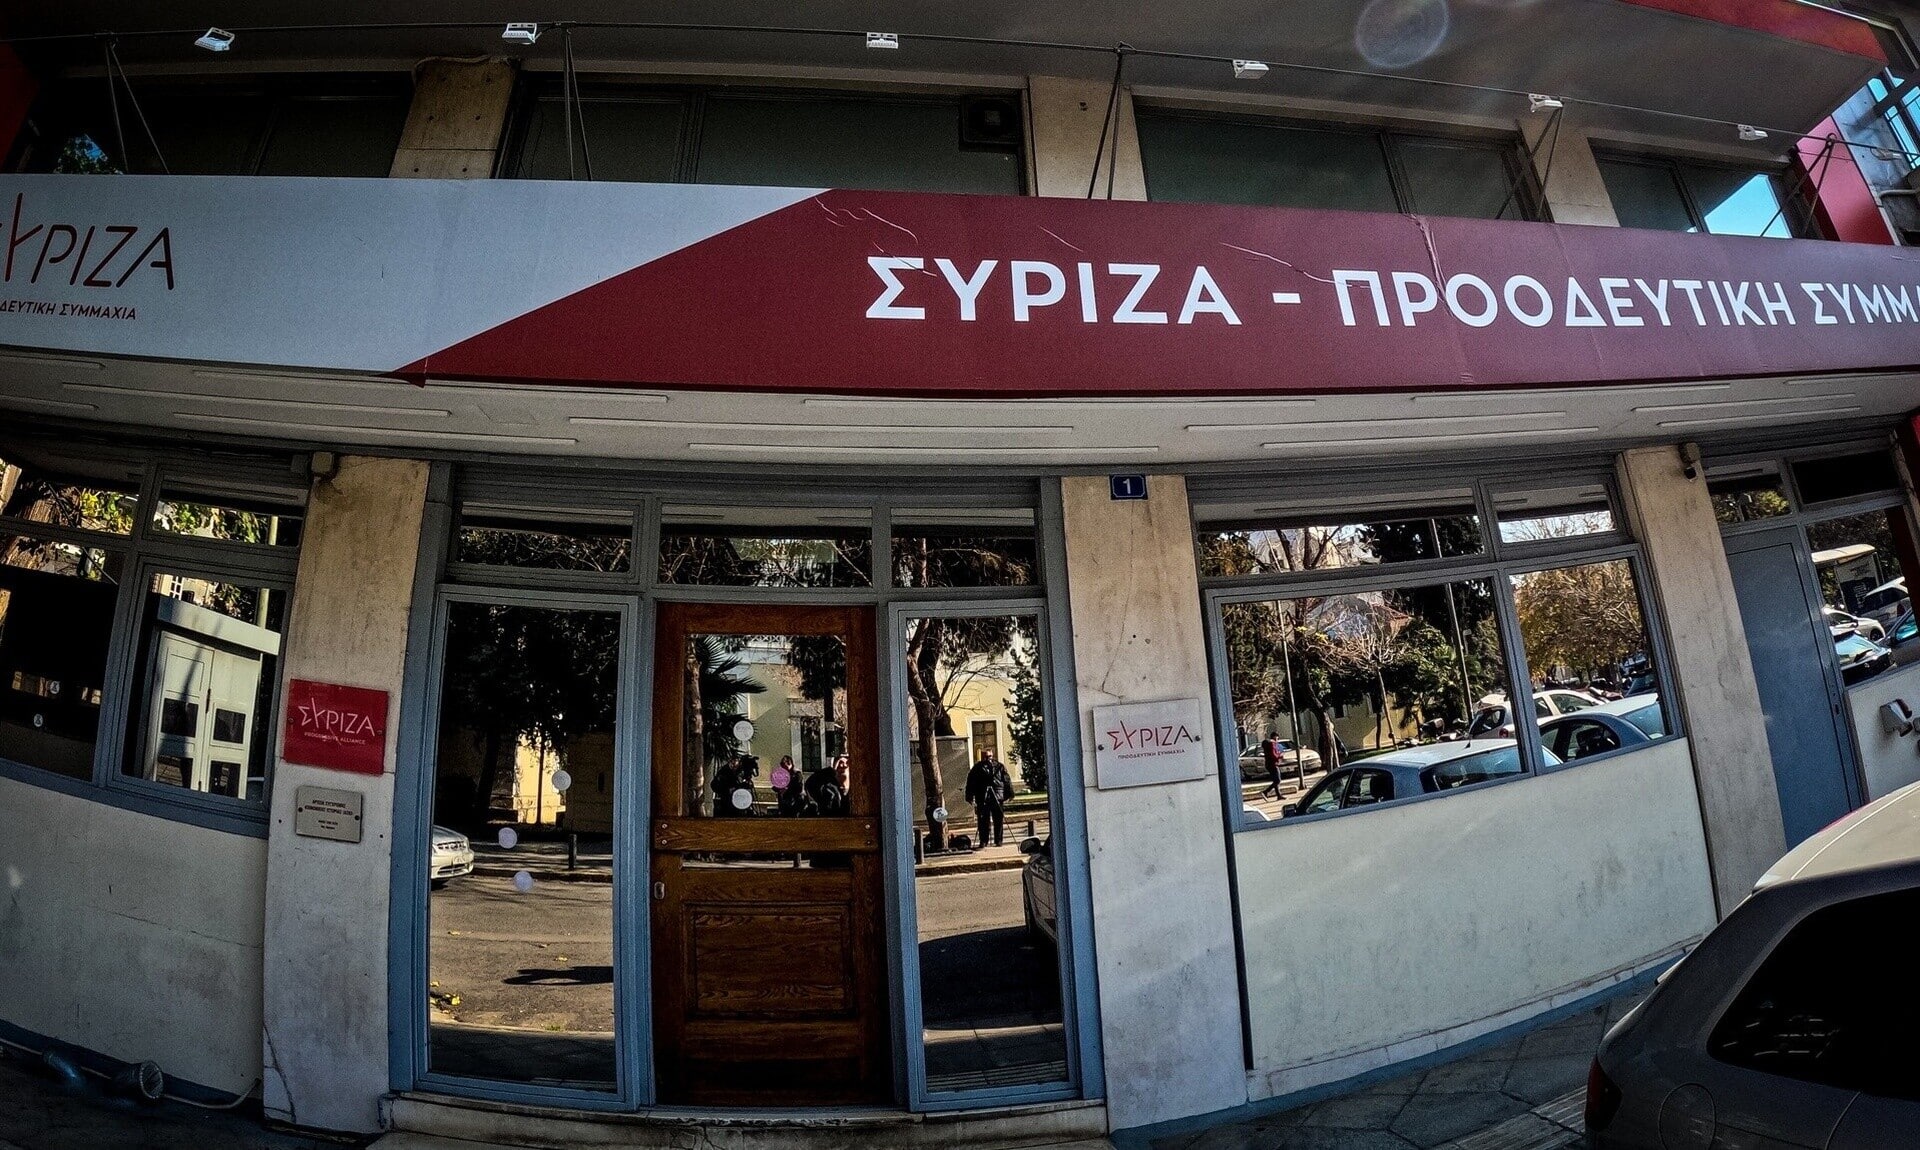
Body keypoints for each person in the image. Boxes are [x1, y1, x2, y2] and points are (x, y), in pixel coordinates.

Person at [964, 749, 1014, 849]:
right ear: (982, 757)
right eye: (986, 757)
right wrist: (969, 796)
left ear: (993, 756)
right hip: (982, 796)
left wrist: (1010, 793)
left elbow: (1006, 780)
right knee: (983, 819)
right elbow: (971, 782)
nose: (988, 759)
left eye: (990, 756)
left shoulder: (999, 766)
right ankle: (983, 841)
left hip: (997, 795)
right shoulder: (977, 768)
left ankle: (998, 840)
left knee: (998, 819)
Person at [1259, 731, 1285, 799]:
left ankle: (1279, 795)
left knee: (1275, 780)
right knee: (1278, 780)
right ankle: (1265, 792)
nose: (1277, 739)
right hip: (1273, 764)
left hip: (1269, 764)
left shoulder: (1267, 744)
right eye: (1277, 738)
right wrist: (1280, 756)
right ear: (1274, 737)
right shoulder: (1272, 743)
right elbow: (1273, 754)